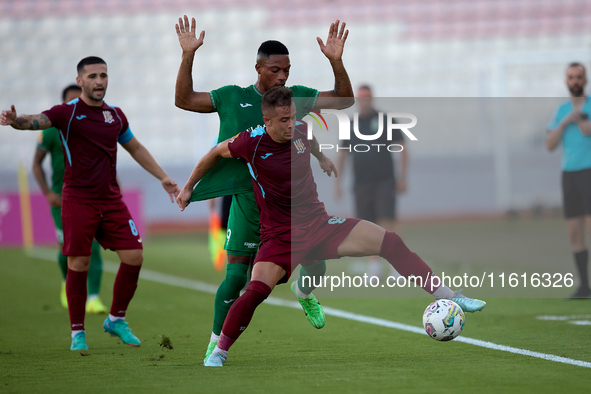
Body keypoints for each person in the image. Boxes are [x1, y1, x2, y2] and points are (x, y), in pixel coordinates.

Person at [177, 87, 486, 367]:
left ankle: (449, 295)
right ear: (266, 119)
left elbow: (307, 140)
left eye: (293, 117)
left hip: (319, 223)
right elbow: (215, 153)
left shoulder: (300, 130)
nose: (290, 124)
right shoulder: (251, 143)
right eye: (283, 119)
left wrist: (322, 158)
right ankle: (220, 351)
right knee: (255, 290)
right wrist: (190, 186)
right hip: (280, 237)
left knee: (389, 241)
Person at [174, 15, 354, 360]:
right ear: (258, 68)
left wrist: (336, 61)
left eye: (287, 70)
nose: (283, 77)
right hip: (247, 199)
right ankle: (215, 343)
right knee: (235, 276)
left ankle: (305, 291)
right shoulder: (231, 97)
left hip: (292, 204)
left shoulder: (294, 97)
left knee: (318, 264)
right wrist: (187, 56)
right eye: (275, 70)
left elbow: (342, 101)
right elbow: (184, 100)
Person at [1, 56, 181, 350]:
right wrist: (16, 121)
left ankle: (116, 319)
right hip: (78, 200)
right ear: (81, 81)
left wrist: (162, 176)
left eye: (104, 75)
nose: (99, 81)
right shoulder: (67, 113)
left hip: (110, 200)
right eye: (93, 76)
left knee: (134, 256)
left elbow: (134, 147)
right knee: (79, 262)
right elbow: (36, 121)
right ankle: (77, 333)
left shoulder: (116, 115)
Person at [32, 84, 108, 314]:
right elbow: (36, 164)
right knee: (66, 247)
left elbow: (106, 162)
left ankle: (93, 297)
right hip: (62, 199)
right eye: (72, 101)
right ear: (65, 104)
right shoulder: (51, 130)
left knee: (94, 247)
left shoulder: (94, 128)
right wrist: (48, 193)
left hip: (91, 198)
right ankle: (68, 284)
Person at [335, 84, 408, 278]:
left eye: (367, 96)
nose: (364, 100)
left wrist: (402, 177)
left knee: (387, 221)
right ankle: (373, 268)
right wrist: (338, 182)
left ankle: (396, 265)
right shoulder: (351, 124)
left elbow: (402, 147)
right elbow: (343, 154)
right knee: (367, 225)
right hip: (361, 183)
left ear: (372, 98)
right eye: (361, 97)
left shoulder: (386, 120)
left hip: (385, 180)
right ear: (358, 100)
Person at [546, 62, 591, 299]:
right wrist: (565, 123)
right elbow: (549, 145)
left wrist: (586, 126)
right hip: (569, 175)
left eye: (579, 77)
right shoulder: (561, 110)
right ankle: (584, 286)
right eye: (571, 77)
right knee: (575, 232)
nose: (575, 81)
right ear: (566, 81)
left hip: (589, 171)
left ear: (585, 80)